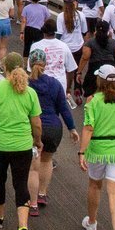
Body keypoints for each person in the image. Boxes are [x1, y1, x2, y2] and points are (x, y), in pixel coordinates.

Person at [0, 54, 41, 230]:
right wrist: (37, 141)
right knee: (21, 183)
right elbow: (36, 123)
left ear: (4, 68)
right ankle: (23, 227)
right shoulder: (30, 92)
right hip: (23, 145)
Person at [78, 64, 115, 230]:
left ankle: (92, 222)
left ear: (99, 80)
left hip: (98, 148)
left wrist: (82, 151)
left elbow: (88, 128)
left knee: (95, 184)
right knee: (114, 192)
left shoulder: (94, 101)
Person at [26, 47, 76, 215]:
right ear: (45, 65)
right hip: (54, 127)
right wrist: (72, 128)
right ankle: (42, 194)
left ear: (30, 63)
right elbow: (63, 108)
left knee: (33, 166)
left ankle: (32, 203)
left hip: (32, 128)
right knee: (46, 161)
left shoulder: (25, 84)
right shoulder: (54, 84)